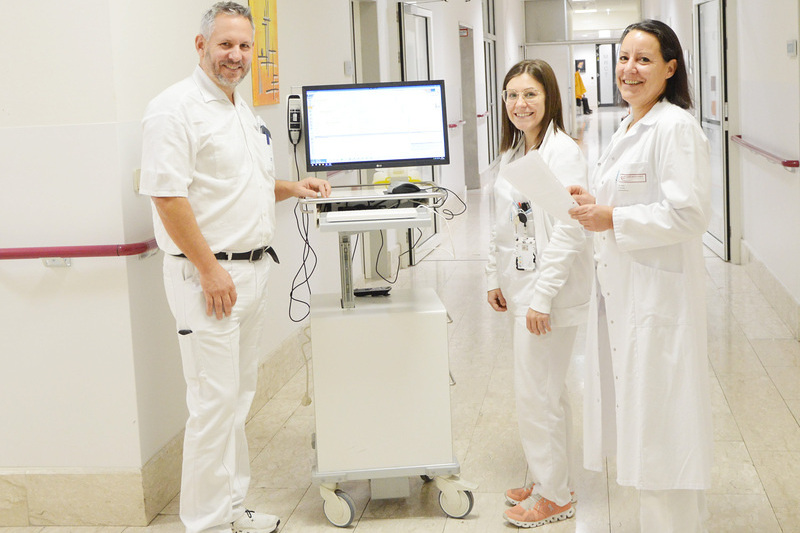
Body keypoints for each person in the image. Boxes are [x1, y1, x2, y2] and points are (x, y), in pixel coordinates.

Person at [139, 3, 331, 533]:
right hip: (208, 279)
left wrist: (293, 187)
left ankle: (231, 507)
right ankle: (205, 523)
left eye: (245, 46)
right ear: (200, 46)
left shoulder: (239, 109)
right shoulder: (173, 110)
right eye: (225, 44)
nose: (236, 55)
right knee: (211, 405)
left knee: (236, 400)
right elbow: (167, 195)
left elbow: (237, 189)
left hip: (249, 273)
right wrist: (209, 269)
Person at [568, 19, 713, 532]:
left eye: (644, 59)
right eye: (624, 58)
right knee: (648, 429)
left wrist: (613, 218)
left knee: (660, 436)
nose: (629, 69)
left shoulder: (674, 127)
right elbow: (632, 199)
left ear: (670, 68)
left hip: (658, 301)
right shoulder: (632, 124)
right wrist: (598, 206)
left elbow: (689, 214)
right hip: (627, 293)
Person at [486, 59, 593, 528]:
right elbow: (504, 224)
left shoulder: (563, 153)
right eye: (511, 95)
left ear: (549, 98)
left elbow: (571, 232)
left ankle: (554, 496)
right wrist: (494, 275)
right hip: (522, 284)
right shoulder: (515, 155)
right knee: (546, 390)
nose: (519, 104)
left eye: (530, 94)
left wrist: (542, 297)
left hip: (548, 293)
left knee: (538, 394)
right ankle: (549, 479)